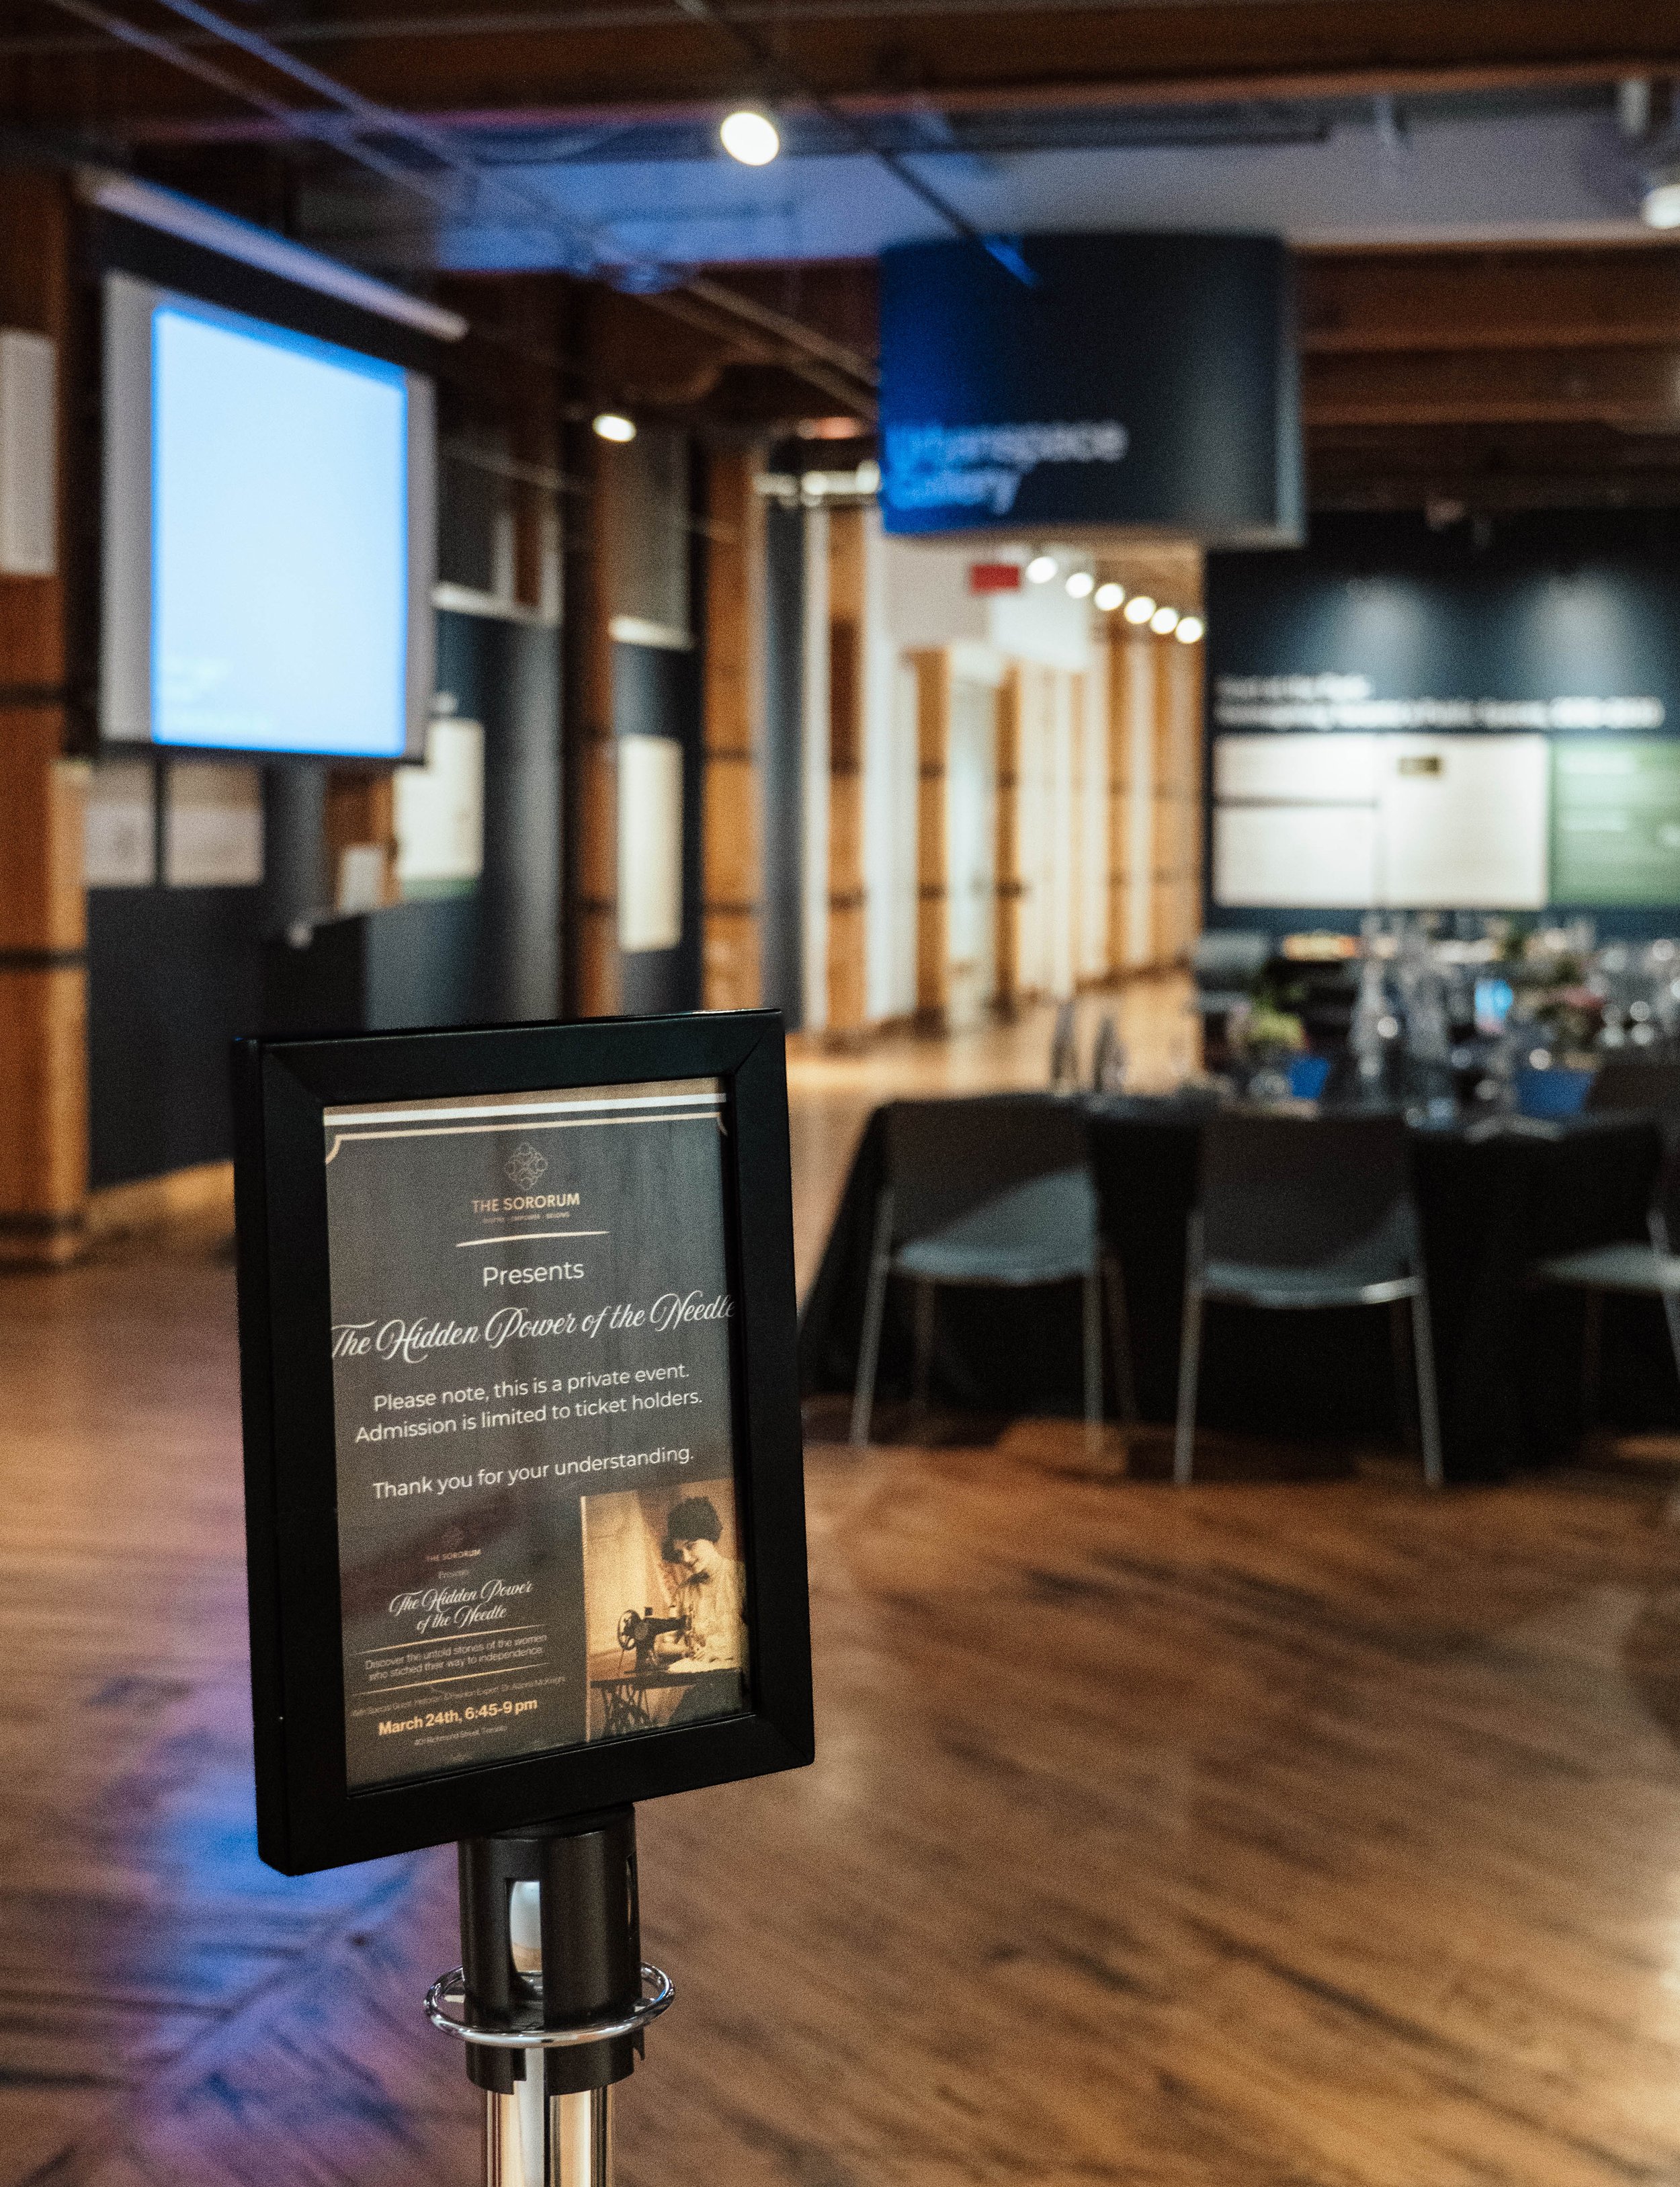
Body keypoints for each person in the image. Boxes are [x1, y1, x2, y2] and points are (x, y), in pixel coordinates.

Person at [657, 1493, 747, 1723]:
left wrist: (720, 1651)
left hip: (745, 1686)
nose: (686, 1558)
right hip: (706, 1689)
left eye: (691, 1546)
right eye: (680, 1552)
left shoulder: (741, 1577)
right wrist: (686, 1650)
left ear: (710, 1537)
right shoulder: (684, 1592)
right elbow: (663, 1646)